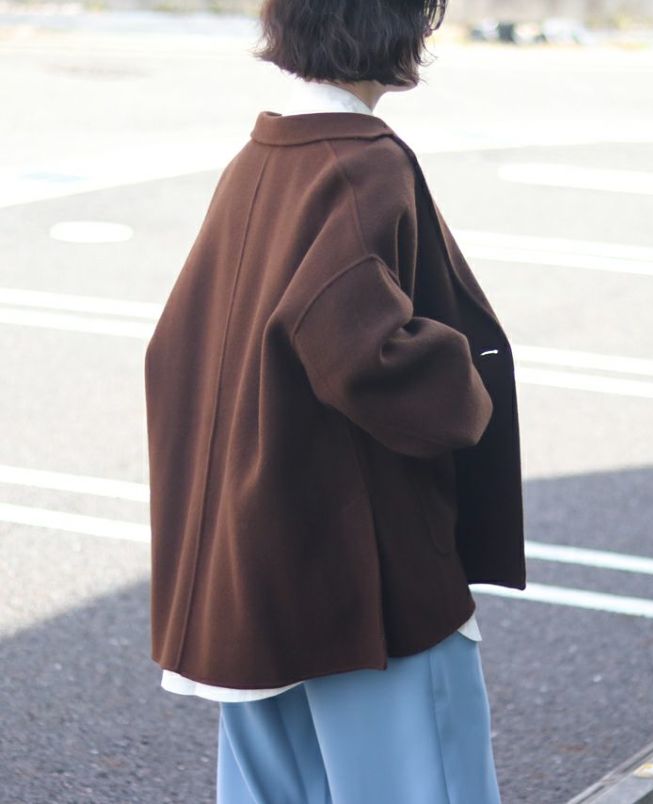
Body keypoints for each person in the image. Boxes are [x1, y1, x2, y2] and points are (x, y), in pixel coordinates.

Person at [143, 1, 527, 802]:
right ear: (396, 30)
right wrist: (463, 382)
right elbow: (361, 348)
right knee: (424, 782)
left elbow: (175, 347)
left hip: (251, 568)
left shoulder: (262, 156)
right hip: (365, 576)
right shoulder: (362, 163)